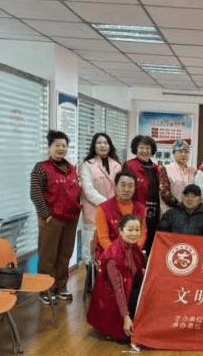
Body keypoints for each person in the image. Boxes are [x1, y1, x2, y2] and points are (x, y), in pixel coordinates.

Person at [30, 130, 82, 304]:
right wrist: (46, 215)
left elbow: (77, 190)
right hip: (52, 219)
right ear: (49, 147)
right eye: (57, 145)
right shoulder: (41, 168)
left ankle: (61, 287)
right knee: (48, 256)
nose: (61, 149)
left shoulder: (72, 169)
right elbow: (35, 193)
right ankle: (45, 290)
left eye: (64, 146)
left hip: (71, 218)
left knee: (65, 254)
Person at [87, 214, 145, 342]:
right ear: (120, 230)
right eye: (130, 230)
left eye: (137, 230)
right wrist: (126, 317)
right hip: (113, 300)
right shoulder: (114, 256)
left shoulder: (133, 247)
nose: (134, 234)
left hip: (128, 290)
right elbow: (118, 289)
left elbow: (135, 270)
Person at [123, 135, 175, 254]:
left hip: (154, 213)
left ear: (152, 151)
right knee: (136, 243)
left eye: (148, 148)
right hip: (136, 212)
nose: (144, 151)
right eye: (141, 147)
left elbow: (164, 190)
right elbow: (124, 190)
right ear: (135, 149)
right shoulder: (129, 166)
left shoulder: (157, 168)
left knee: (151, 243)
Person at [79, 132, 122, 265]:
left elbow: (121, 188)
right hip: (94, 211)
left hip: (113, 213)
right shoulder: (87, 165)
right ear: (94, 146)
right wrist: (108, 205)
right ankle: (89, 276)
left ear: (110, 145)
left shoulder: (117, 165)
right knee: (90, 251)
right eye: (99, 143)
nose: (102, 145)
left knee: (110, 248)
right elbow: (88, 190)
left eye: (105, 143)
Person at [94, 171, 147, 259]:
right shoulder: (103, 209)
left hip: (133, 255)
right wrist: (119, 254)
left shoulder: (141, 209)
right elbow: (103, 238)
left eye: (130, 186)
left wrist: (132, 253)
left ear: (135, 188)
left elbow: (142, 236)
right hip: (109, 256)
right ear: (115, 186)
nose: (126, 189)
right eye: (123, 185)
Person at [160, 139, 197, 216]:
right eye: (180, 151)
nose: (183, 154)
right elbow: (164, 193)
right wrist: (180, 206)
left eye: (186, 152)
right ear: (174, 153)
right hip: (169, 213)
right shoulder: (165, 169)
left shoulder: (193, 171)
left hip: (189, 214)